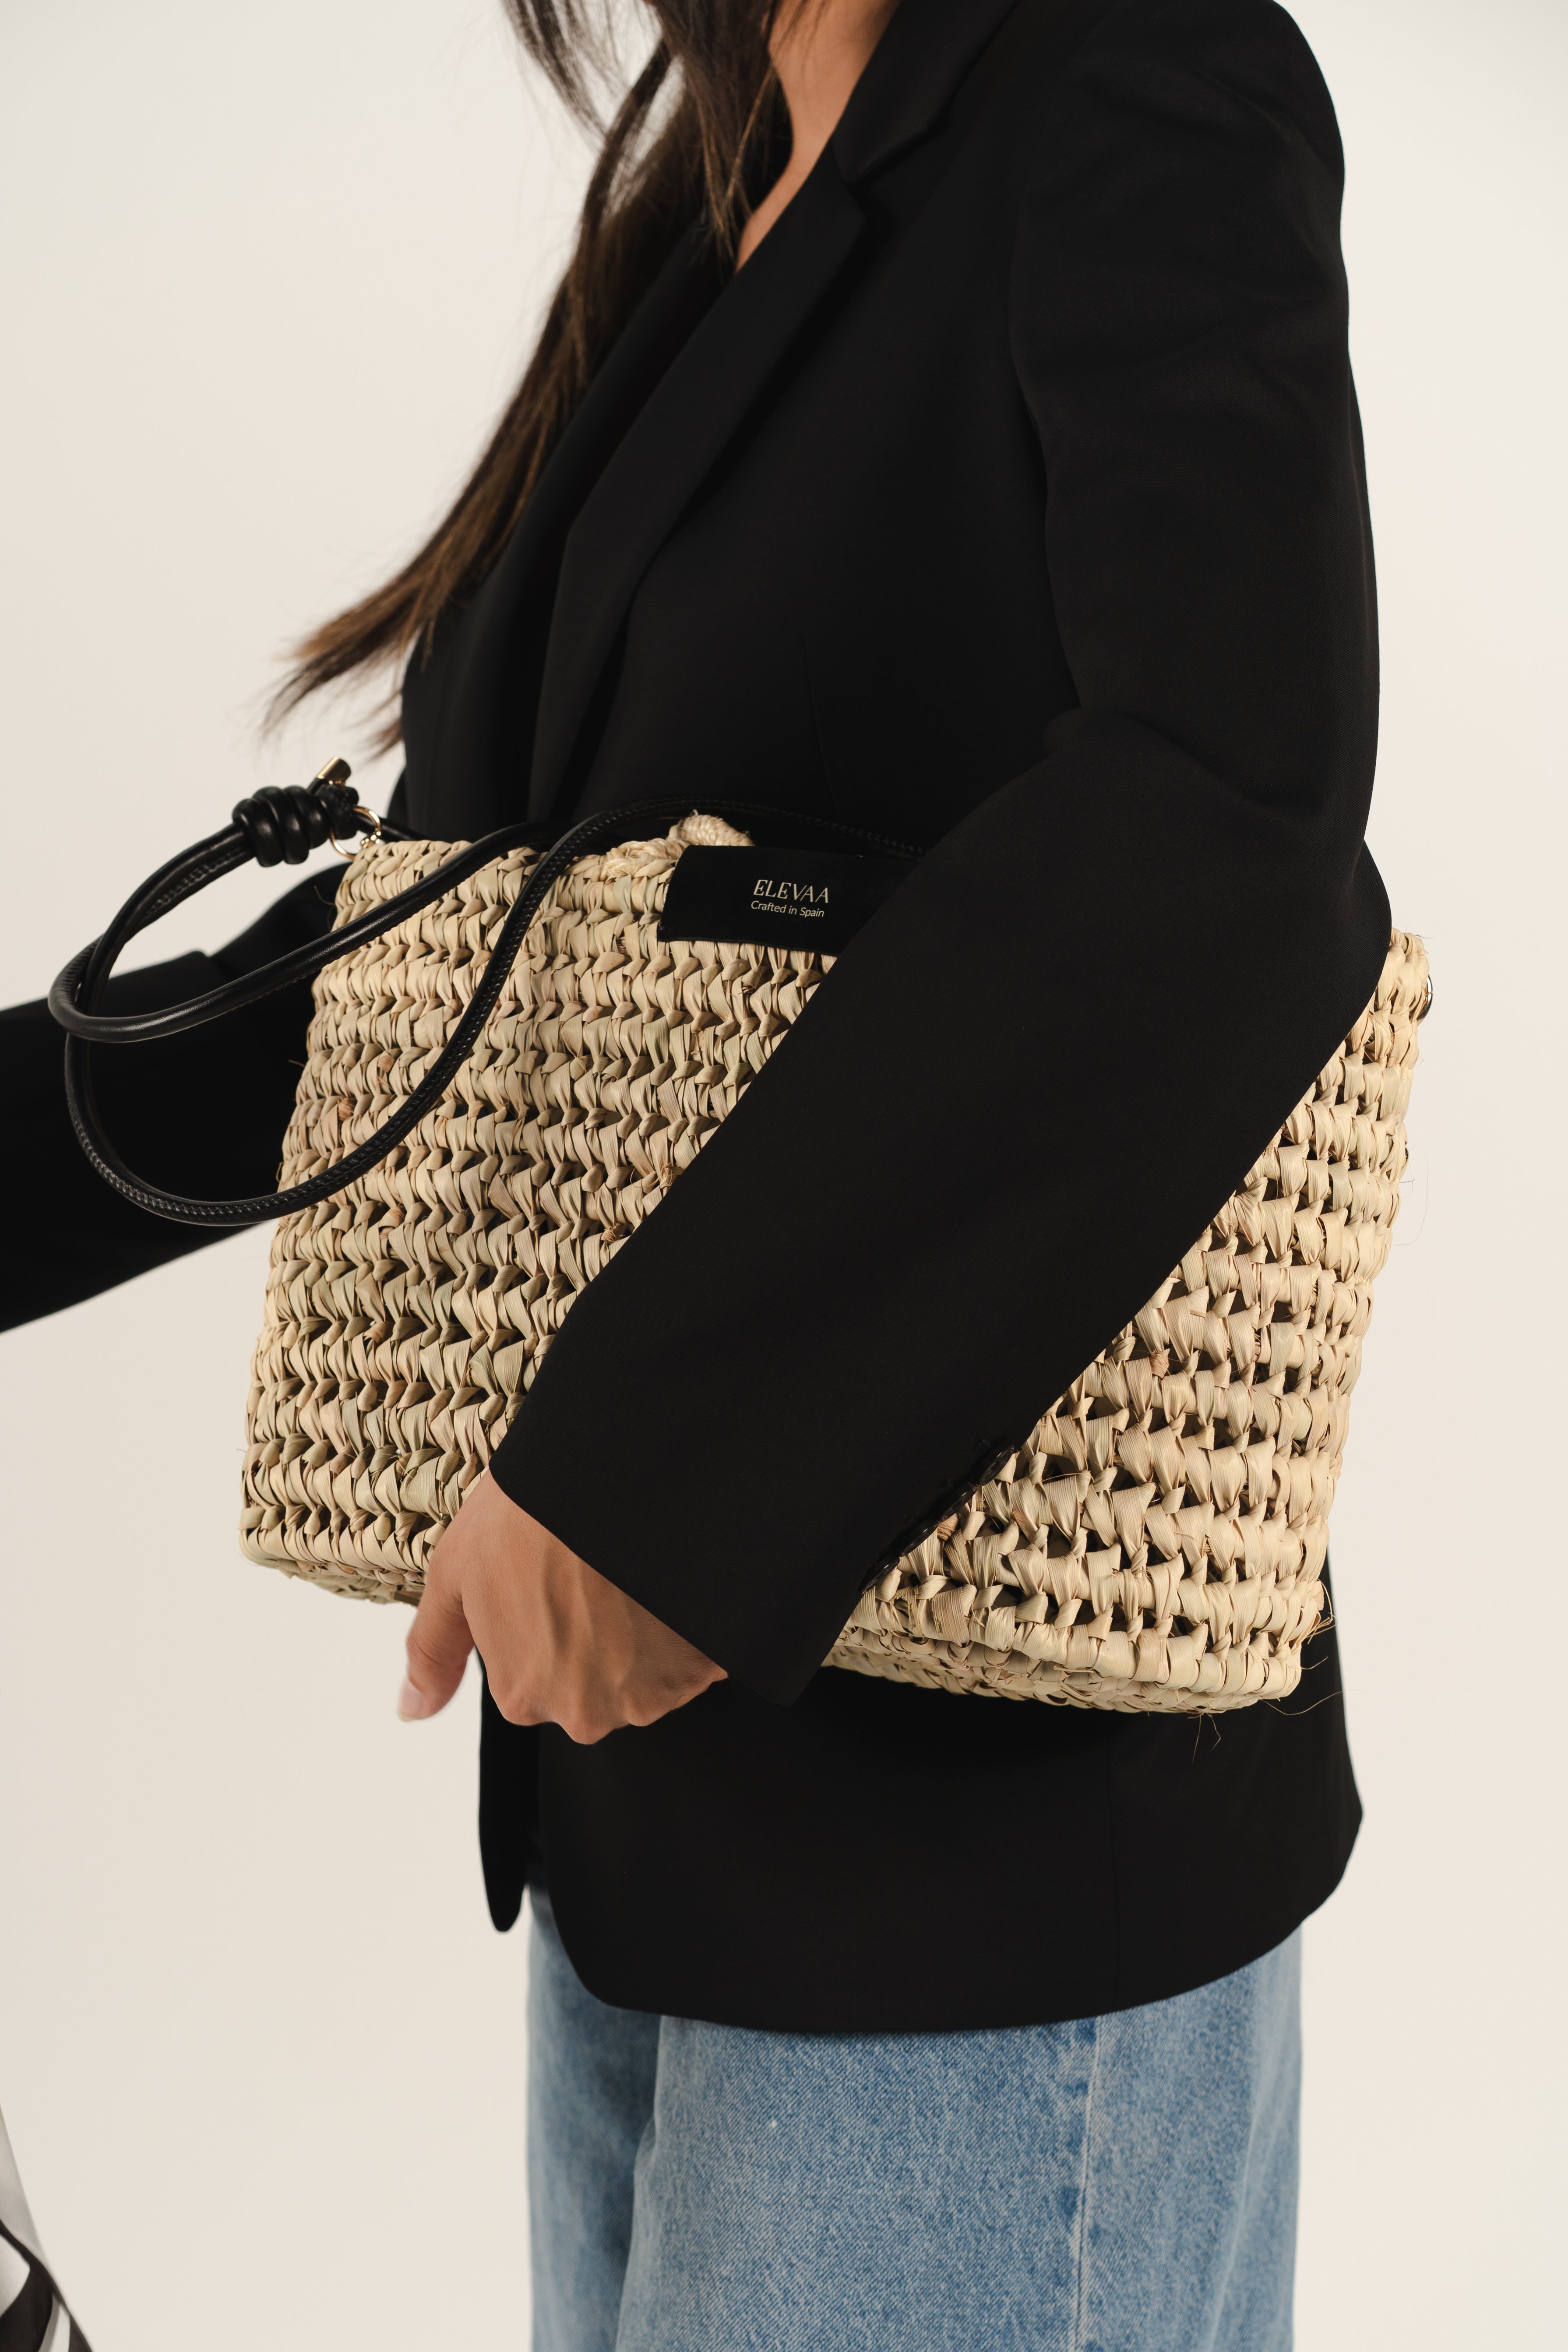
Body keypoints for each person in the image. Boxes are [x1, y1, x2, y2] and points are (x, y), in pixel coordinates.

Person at [4, 0, 1390, 2342]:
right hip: (652, 1847)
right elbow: (477, 954)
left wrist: (652, 1484)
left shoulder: (1135, 73)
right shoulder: (706, 202)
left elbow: (1223, 829)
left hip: (984, 1876)